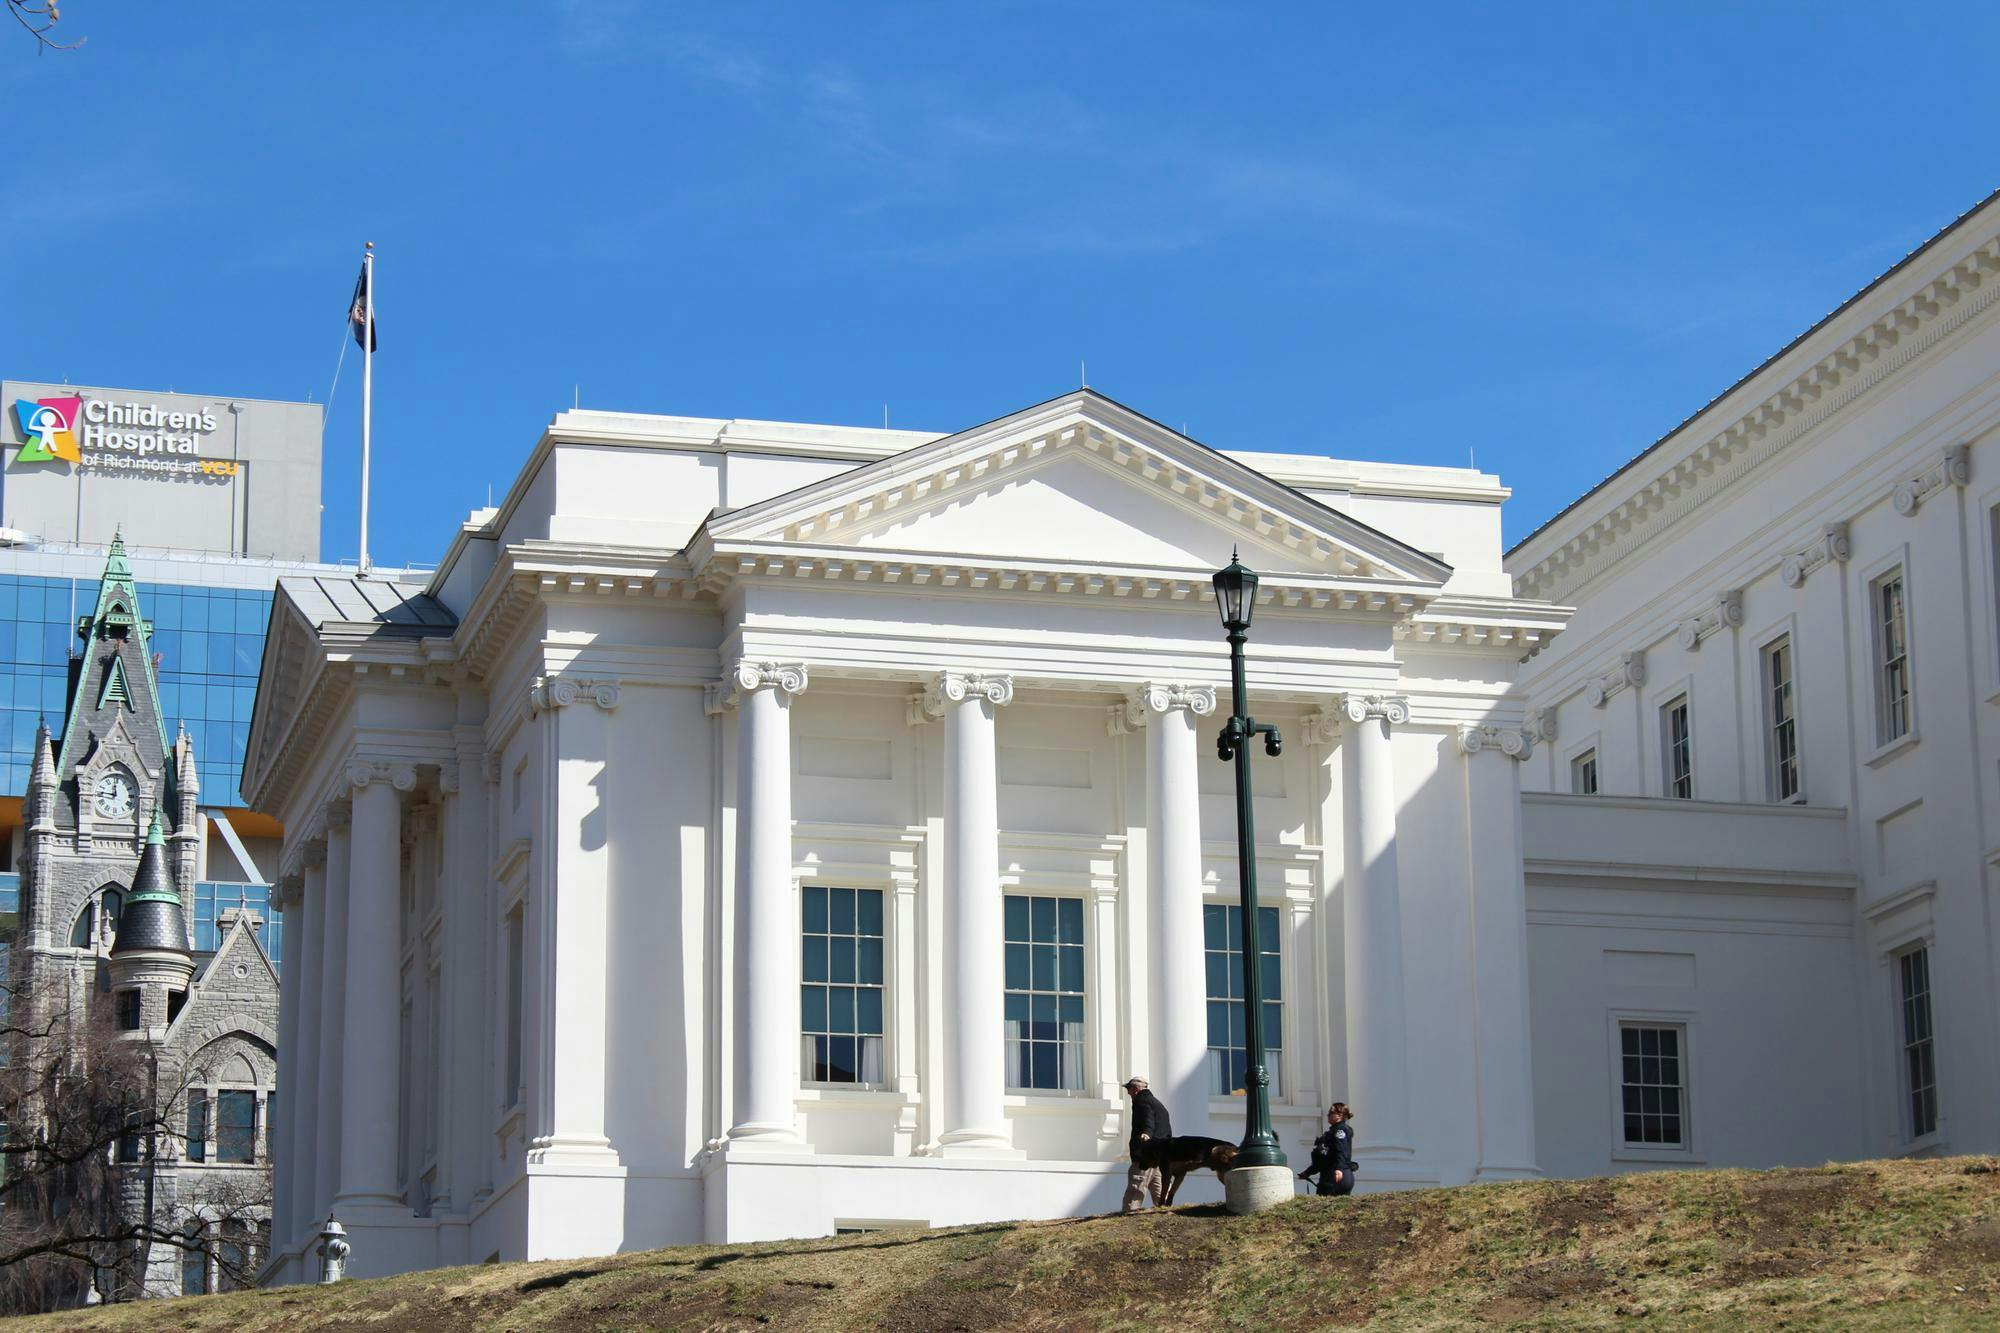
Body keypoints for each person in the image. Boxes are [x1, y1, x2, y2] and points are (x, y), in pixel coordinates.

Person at [1120, 1076, 1173, 1212]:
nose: (1128, 1093)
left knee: (1136, 1185)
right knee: (1159, 1188)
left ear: (1136, 1089)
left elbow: (1147, 1119)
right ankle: (1164, 1211)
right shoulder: (1157, 1103)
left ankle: (1129, 1214)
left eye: (1129, 1089)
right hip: (1159, 1154)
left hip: (1146, 1154)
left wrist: (1146, 1133)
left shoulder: (1142, 1102)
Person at [1300, 1102, 1357, 1196]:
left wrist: (1339, 1169)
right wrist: (1307, 1173)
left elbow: (1340, 1150)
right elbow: (1324, 1158)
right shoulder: (1331, 1132)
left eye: (1331, 1113)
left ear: (1339, 1115)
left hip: (1336, 1175)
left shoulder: (1340, 1130)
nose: (1328, 1115)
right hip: (1331, 1175)